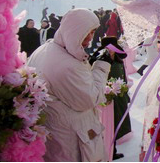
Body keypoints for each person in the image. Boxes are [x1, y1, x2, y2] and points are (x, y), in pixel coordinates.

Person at [27, 9, 111, 161]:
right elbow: (90, 98)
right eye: (87, 32)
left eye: (93, 32)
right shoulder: (68, 65)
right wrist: (102, 65)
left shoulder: (46, 49)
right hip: (73, 141)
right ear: (74, 31)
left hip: (56, 137)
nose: (90, 38)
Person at [90, 36, 131, 160]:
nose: (110, 50)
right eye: (108, 48)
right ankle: (106, 152)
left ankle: (112, 151)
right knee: (106, 125)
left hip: (119, 98)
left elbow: (123, 77)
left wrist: (125, 93)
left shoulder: (119, 61)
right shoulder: (98, 61)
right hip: (106, 99)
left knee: (118, 123)